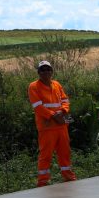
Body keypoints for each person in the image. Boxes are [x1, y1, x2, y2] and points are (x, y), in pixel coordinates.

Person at [27, 59, 76, 187]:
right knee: (46, 155)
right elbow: (38, 106)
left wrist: (63, 111)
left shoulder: (57, 84)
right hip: (47, 127)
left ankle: (69, 177)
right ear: (38, 72)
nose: (46, 71)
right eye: (43, 70)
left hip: (61, 126)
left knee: (65, 153)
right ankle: (43, 181)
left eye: (48, 69)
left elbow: (65, 100)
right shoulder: (33, 86)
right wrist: (54, 115)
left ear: (52, 71)